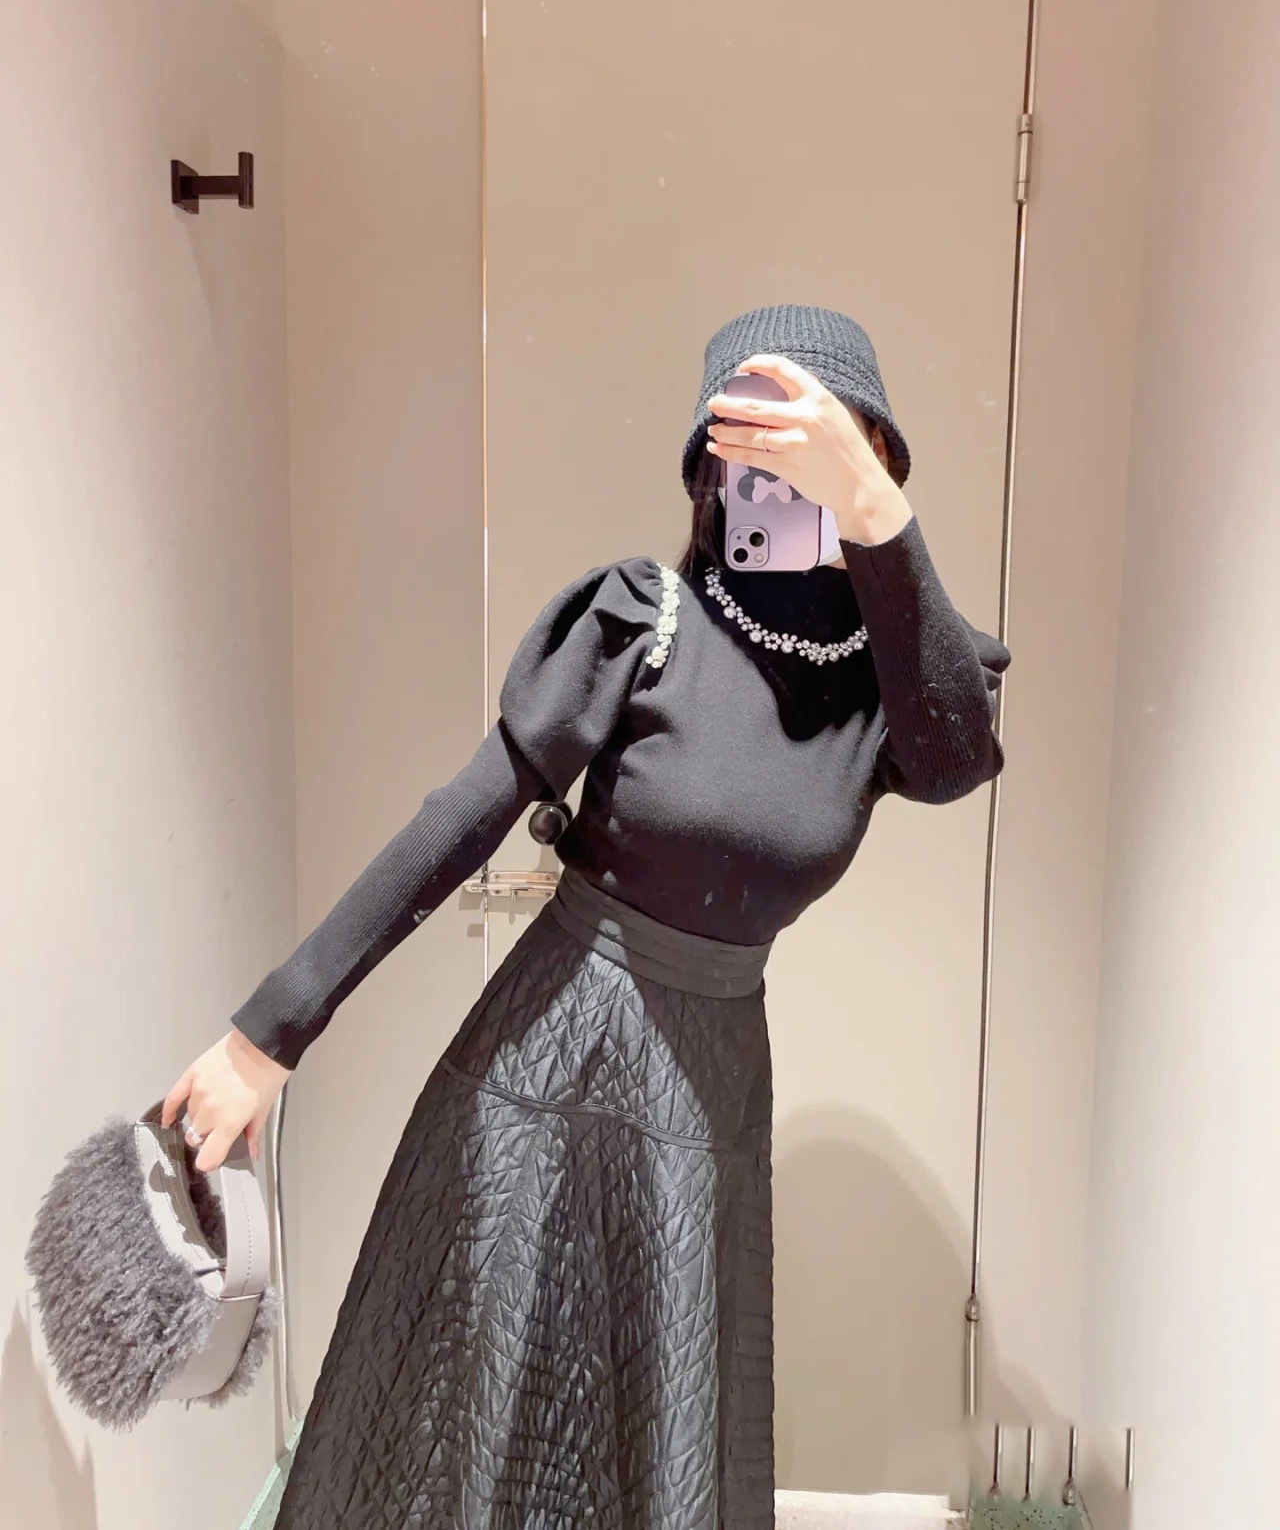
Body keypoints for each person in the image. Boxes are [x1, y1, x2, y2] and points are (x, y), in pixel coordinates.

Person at [164, 305, 1010, 1528]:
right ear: (709, 470)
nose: (784, 478)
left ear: (874, 452)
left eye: (821, 447)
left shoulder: (892, 686)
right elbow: (459, 820)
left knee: (657, 1436)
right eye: (753, 449)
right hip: (545, 1066)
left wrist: (876, 515)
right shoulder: (639, 622)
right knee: (484, 1430)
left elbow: (953, 760)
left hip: (711, 1079)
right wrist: (267, 1035)